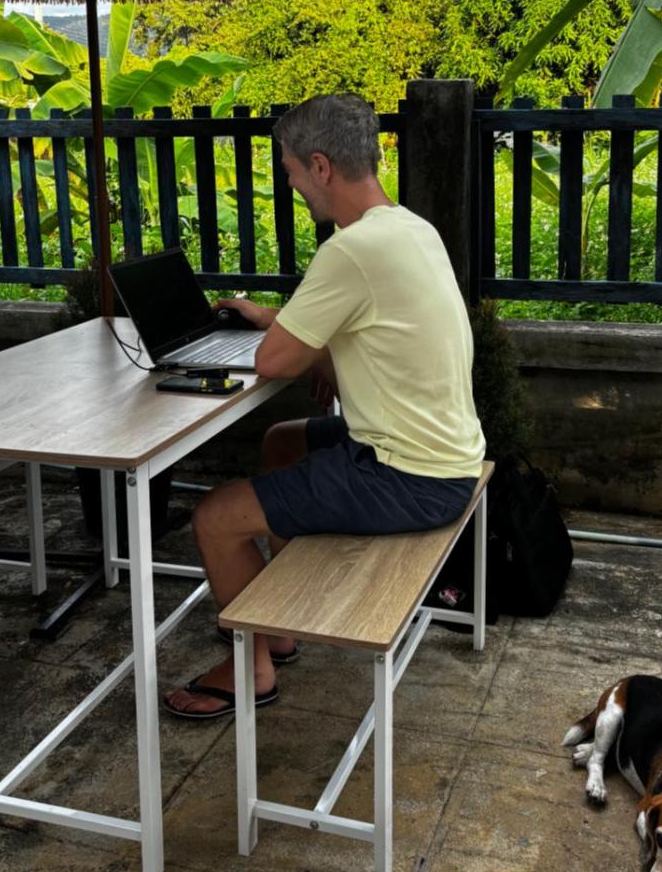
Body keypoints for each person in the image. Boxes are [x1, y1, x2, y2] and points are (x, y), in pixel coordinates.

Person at [163, 93, 485, 719]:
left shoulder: (351, 249)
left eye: (289, 170)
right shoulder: (408, 228)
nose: (290, 184)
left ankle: (252, 668)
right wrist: (279, 323)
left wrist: (299, 345)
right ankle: (278, 622)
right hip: (444, 455)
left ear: (320, 166)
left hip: (408, 476)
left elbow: (272, 363)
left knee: (215, 518)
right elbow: (346, 328)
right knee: (283, 441)